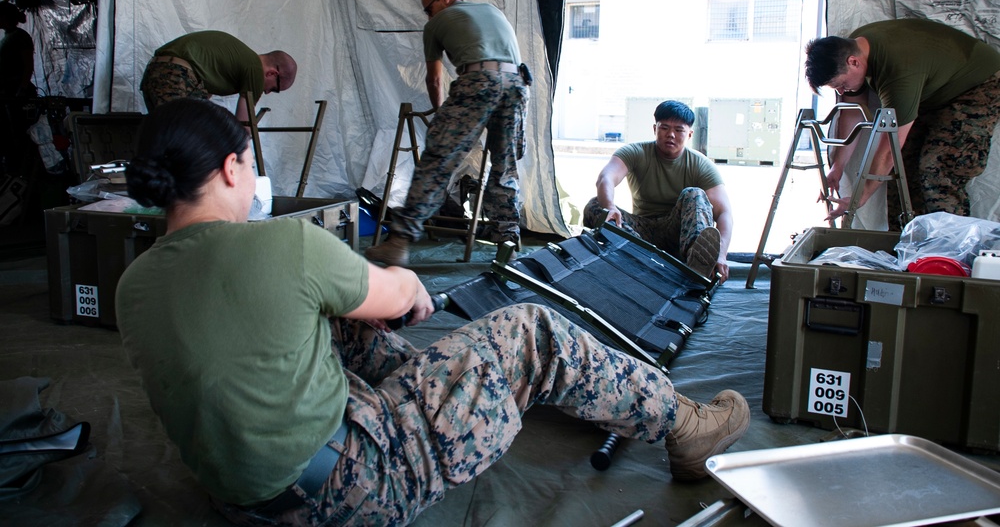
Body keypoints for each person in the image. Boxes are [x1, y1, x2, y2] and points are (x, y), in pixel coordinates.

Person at [115, 98, 750, 527]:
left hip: (240, 501)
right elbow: (401, 296)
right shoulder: (282, 244)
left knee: (339, 321)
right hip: (351, 490)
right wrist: (406, 279)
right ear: (231, 169)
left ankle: (454, 393)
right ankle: (686, 427)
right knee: (532, 329)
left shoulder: (133, 283)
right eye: (250, 165)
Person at [365, 0, 529, 266]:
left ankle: (399, 242)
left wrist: (441, 115)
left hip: (479, 80)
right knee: (506, 168)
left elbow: (435, 78)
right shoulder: (492, 11)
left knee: (437, 162)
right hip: (517, 83)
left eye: (428, 8)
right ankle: (507, 242)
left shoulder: (437, 24)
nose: (428, 16)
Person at [804, 18, 1000, 228]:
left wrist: (860, 198)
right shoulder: (854, 47)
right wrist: (837, 167)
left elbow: (889, 149)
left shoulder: (898, 74)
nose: (842, 92)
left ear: (854, 62)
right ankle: (906, 244)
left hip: (979, 84)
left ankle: (950, 251)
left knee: (938, 169)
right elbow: (853, 112)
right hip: (936, 90)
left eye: (841, 85)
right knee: (900, 173)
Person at [583, 100, 733, 284]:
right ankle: (641, 259)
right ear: (655, 129)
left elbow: (724, 212)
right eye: (664, 128)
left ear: (689, 134)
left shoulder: (700, 164)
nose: (670, 135)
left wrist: (721, 254)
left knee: (695, 194)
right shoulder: (636, 152)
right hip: (640, 235)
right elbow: (606, 177)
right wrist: (610, 207)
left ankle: (697, 265)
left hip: (681, 236)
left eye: (679, 130)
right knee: (595, 206)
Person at [139, 30, 297, 122]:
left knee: (162, 135)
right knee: (185, 137)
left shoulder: (235, 61)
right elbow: (244, 125)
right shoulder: (255, 68)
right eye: (274, 88)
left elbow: (202, 93)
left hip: (157, 70)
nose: (267, 92)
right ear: (272, 73)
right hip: (175, 75)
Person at [0, 1, 37, 179]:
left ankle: (24, 171)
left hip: (15, 93)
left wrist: (21, 89)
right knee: (8, 133)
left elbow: (28, 65)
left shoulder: (19, 37)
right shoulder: (8, 36)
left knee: (18, 133)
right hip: (7, 92)